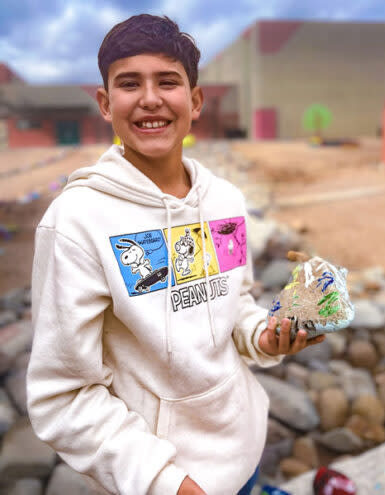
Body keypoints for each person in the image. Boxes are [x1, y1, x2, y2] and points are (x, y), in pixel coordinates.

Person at [26, 14, 324, 495]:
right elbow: (63, 396)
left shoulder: (224, 199)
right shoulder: (76, 221)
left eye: (168, 81)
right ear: (105, 103)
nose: (149, 98)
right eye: (129, 84)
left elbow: (236, 305)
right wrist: (169, 484)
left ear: (196, 100)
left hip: (244, 451)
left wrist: (266, 338)